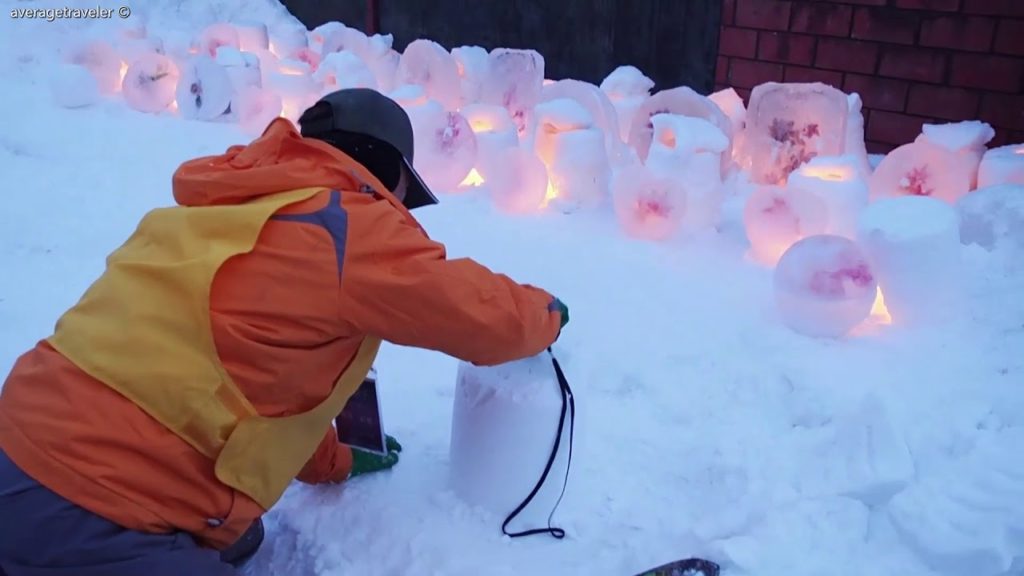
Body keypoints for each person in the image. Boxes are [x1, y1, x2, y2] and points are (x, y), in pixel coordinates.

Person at [0, 88, 569, 575]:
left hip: (18, 437)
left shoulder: (230, 204)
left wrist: (334, 460)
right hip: (86, 502)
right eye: (403, 190)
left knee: (241, 537)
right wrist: (546, 313)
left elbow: (248, 375)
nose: (401, 207)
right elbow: (480, 315)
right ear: (387, 169)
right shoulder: (349, 223)